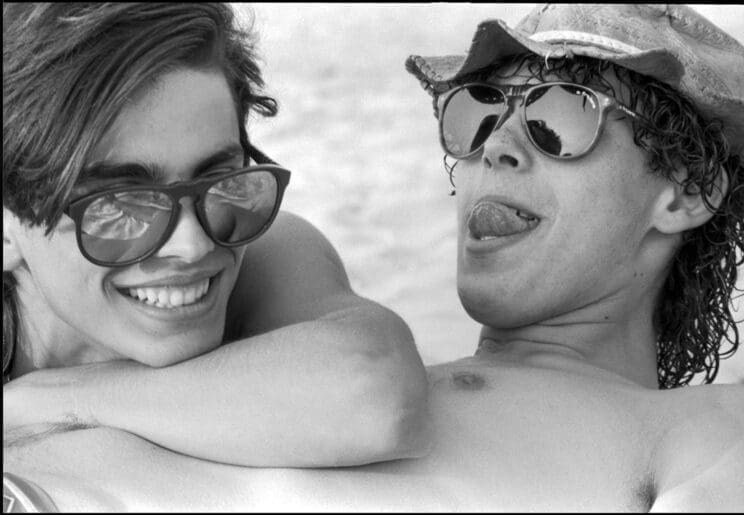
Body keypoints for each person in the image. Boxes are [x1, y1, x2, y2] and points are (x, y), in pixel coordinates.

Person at [4, 3, 744, 512]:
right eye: (478, 113)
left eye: (560, 117)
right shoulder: (287, 350)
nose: (496, 146)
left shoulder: (710, 428)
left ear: (688, 190)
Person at [2, 3, 432, 510]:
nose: (193, 245)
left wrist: (61, 400)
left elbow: (377, 392)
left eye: (218, 181)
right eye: (121, 206)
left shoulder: (268, 252)